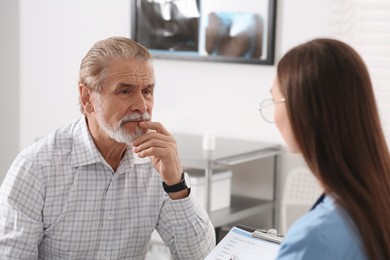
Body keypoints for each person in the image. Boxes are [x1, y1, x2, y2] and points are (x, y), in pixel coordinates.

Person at [0, 36, 215, 259]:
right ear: (87, 98)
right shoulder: (36, 168)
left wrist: (176, 184)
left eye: (147, 91)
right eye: (125, 91)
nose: (142, 106)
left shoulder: (155, 163)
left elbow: (202, 256)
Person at [258, 38, 390, 259]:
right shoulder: (377, 198)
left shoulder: (314, 237)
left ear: (303, 111)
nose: (273, 114)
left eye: (275, 100)